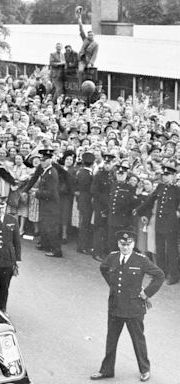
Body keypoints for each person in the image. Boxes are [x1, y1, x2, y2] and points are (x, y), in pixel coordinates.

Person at [91, 230, 164, 382]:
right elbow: (103, 268)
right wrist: (112, 285)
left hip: (133, 308)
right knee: (111, 340)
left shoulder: (141, 260)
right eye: (122, 244)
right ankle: (106, 370)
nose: (125, 247)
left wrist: (147, 293)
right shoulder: (112, 257)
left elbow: (159, 275)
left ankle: (145, 370)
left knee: (138, 340)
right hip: (115, 306)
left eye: (128, 244)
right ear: (118, 244)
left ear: (134, 244)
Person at [135, 165, 180, 285]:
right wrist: (139, 209)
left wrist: (177, 213)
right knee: (159, 249)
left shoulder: (177, 190)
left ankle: (174, 276)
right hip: (159, 223)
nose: (165, 178)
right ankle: (161, 273)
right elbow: (150, 200)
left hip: (171, 225)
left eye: (168, 175)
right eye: (164, 175)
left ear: (174, 176)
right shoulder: (160, 187)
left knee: (171, 250)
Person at [75, 151, 95, 255]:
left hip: (81, 199)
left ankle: (81, 245)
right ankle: (82, 246)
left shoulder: (80, 172)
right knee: (85, 224)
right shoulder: (89, 175)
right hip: (87, 200)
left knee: (83, 223)